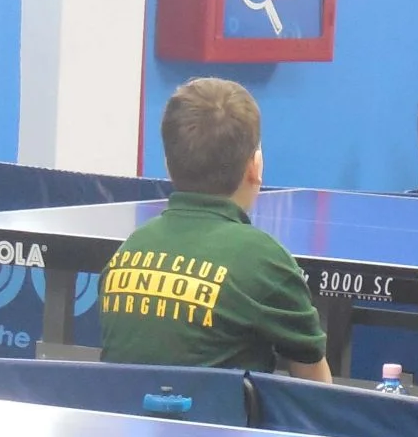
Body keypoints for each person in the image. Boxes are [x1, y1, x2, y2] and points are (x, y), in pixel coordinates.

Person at [100, 79, 331, 380]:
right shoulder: (265, 261)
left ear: (168, 165)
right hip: (221, 413)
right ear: (255, 168)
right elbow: (316, 388)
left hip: (123, 412)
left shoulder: (127, 252)